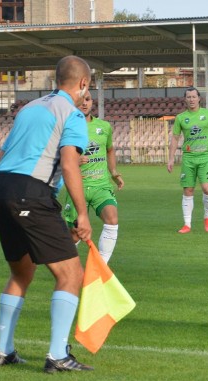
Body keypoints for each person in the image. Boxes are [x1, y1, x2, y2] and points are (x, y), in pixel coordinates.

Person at [0, 55, 94, 372]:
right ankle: (58, 355)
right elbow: (69, 163)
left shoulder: (30, 108)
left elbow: (1, 159)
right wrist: (82, 214)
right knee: (71, 275)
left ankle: (3, 351)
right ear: (83, 83)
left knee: (22, 273)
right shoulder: (72, 114)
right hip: (29, 194)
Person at [62, 90, 124, 263]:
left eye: (88, 99)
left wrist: (114, 172)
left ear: (92, 102)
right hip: (77, 186)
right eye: (81, 100)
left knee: (112, 219)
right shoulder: (66, 127)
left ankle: (101, 267)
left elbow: (110, 150)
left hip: (101, 186)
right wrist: (72, 159)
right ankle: (68, 268)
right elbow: (56, 155)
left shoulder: (104, 127)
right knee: (74, 234)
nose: (84, 103)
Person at [167, 87, 208, 233]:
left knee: (207, 188)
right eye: (188, 97)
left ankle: (207, 217)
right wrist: (171, 158)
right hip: (188, 158)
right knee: (188, 190)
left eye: (193, 97)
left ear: (199, 98)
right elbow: (175, 138)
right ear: (185, 100)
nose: (191, 99)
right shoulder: (180, 118)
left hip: (204, 157)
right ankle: (187, 224)